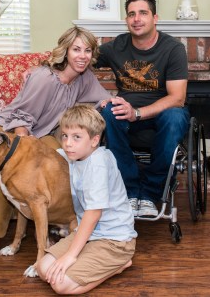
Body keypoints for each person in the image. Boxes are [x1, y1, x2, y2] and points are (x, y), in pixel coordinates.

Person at [0, 26, 110, 263]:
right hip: (9, 127)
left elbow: (103, 99)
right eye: (76, 49)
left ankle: (56, 224)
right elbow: (21, 115)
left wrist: (119, 103)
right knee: (12, 170)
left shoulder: (84, 77)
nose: (82, 55)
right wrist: (23, 145)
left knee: (62, 159)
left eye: (87, 50)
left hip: (40, 131)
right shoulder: (44, 78)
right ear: (65, 51)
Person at [98, 0, 190, 218]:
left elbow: (177, 97)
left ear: (155, 18)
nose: (136, 19)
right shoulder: (115, 47)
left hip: (160, 114)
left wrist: (137, 113)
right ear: (126, 19)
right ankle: (129, 190)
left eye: (142, 13)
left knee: (176, 116)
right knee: (109, 110)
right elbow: (79, 59)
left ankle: (150, 193)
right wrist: (42, 63)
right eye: (131, 14)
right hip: (126, 115)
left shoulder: (173, 49)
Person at [37, 104, 137, 295]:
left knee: (60, 285)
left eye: (76, 137)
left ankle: (119, 265)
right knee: (43, 269)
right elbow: (47, 154)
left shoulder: (98, 163)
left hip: (114, 241)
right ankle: (87, 259)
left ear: (94, 140)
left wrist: (70, 257)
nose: (68, 143)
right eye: (65, 136)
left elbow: (94, 213)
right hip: (89, 235)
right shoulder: (76, 155)